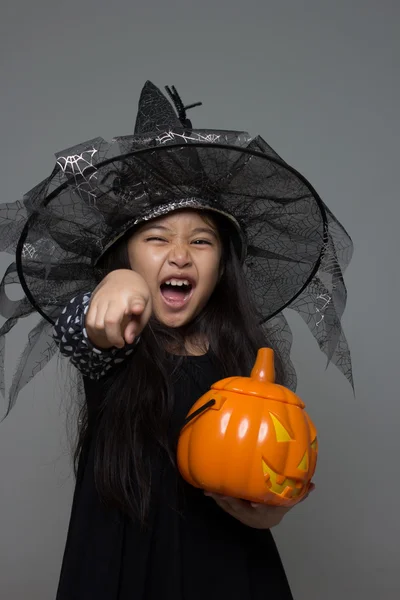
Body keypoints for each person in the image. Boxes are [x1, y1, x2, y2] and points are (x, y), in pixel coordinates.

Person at [0, 82, 353, 599]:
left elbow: (267, 455)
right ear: (125, 256)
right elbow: (86, 330)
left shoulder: (243, 357)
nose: (181, 255)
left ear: (222, 266)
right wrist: (116, 287)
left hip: (232, 564)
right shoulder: (113, 340)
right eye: (157, 238)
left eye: (201, 241)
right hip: (126, 567)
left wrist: (270, 512)